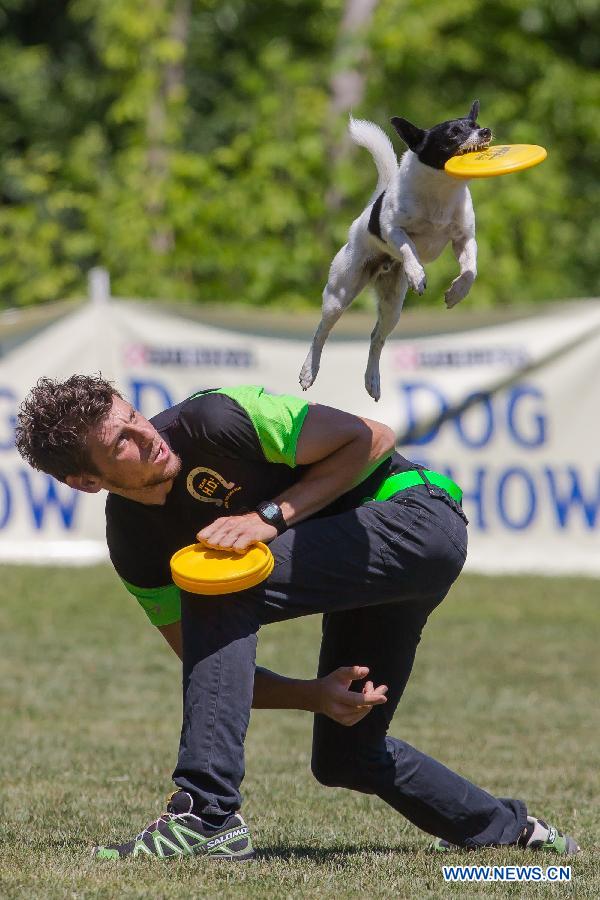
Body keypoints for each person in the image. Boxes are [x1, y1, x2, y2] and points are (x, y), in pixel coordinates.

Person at [15, 375, 579, 860]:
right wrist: (313, 694)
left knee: (216, 583)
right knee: (345, 757)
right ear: (86, 481)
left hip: (416, 519)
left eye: (133, 415)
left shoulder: (215, 417)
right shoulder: (135, 544)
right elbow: (206, 662)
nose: (148, 436)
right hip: (367, 580)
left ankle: (206, 816)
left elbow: (374, 437)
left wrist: (270, 517)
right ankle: (515, 838)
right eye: (123, 442)